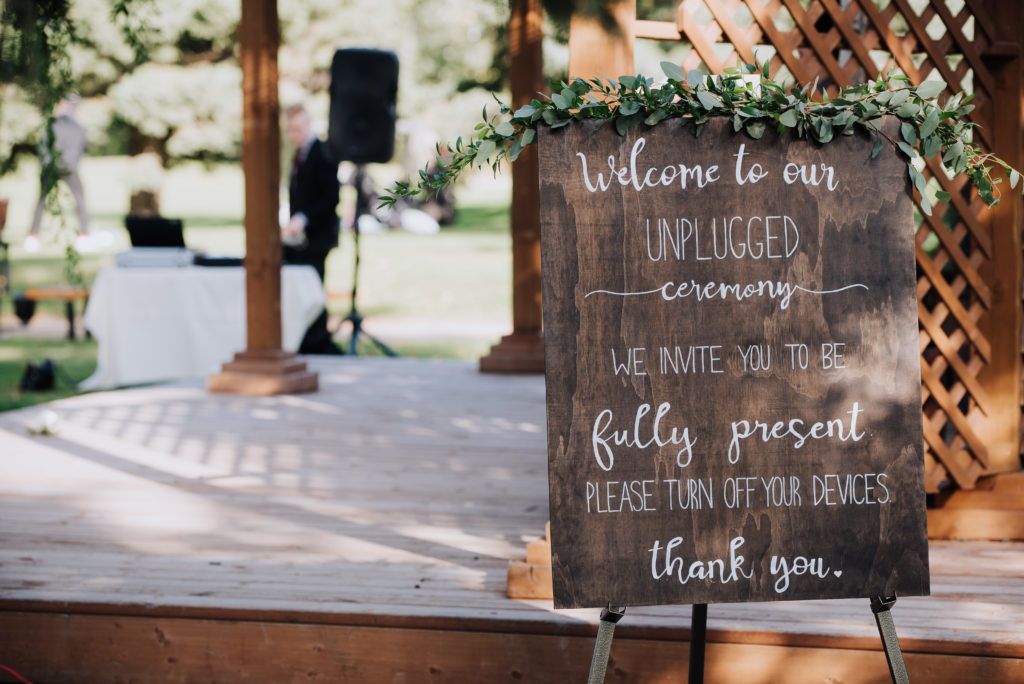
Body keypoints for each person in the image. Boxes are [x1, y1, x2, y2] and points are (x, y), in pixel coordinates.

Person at [281, 103, 343, 354]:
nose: (293, 134)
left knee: (314, 285)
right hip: (299, 235)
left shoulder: (322, 152)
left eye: (298, 128)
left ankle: (318, 340)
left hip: (318, 235)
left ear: (309, 125)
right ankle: (304, 336)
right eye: (290, 129)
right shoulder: (298, 156)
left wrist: (304, 219)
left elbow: (330, 197)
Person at [25, 97, 93, 252]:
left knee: (73, 199)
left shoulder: (58, 125)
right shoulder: (69, 126)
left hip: (60, 167)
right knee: (75, 199)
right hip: (62, 167)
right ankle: (83, 234)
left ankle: (33, 235)